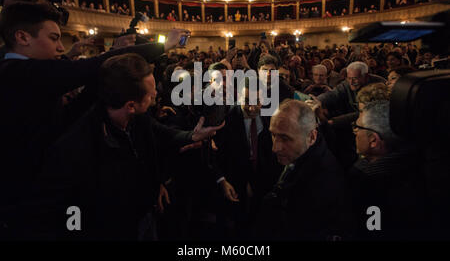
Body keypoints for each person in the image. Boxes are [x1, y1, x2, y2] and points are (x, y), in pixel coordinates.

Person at [0, 1, 189, 238]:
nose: (61, 48)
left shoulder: (26, 75)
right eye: (53, 38)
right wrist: (163, 46)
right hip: (35, 203)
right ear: (22, 37)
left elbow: (72, 111)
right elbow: (92, 67)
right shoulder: (19, 74)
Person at [33, 54, 223, 240]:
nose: (157, 94)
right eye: (151, 94)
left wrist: (191, 136)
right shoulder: (76, 148)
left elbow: (162, 133)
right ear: (131, 105)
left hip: (145, 215)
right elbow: (67, 214)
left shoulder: (138, 117)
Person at [254, 100, 353, 240]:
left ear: (312, 137)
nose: (275, 148)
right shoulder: (298, 153)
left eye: (285, 138)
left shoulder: (322, 186)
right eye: (273, 135)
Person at [349, 100, 426, 240]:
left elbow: (371, 229)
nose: (355, 131)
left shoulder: (369, 183)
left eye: (358, 127)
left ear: (373, 140)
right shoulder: (419, 161)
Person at [215, 82, 282, 239]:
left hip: (264, 179)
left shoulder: (271, 115)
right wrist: (222, 180)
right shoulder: (226, 119)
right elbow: (217, 155)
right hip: (236, 181)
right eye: (246, 101)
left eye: (257, 101)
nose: (252, 108)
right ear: (238, 98)